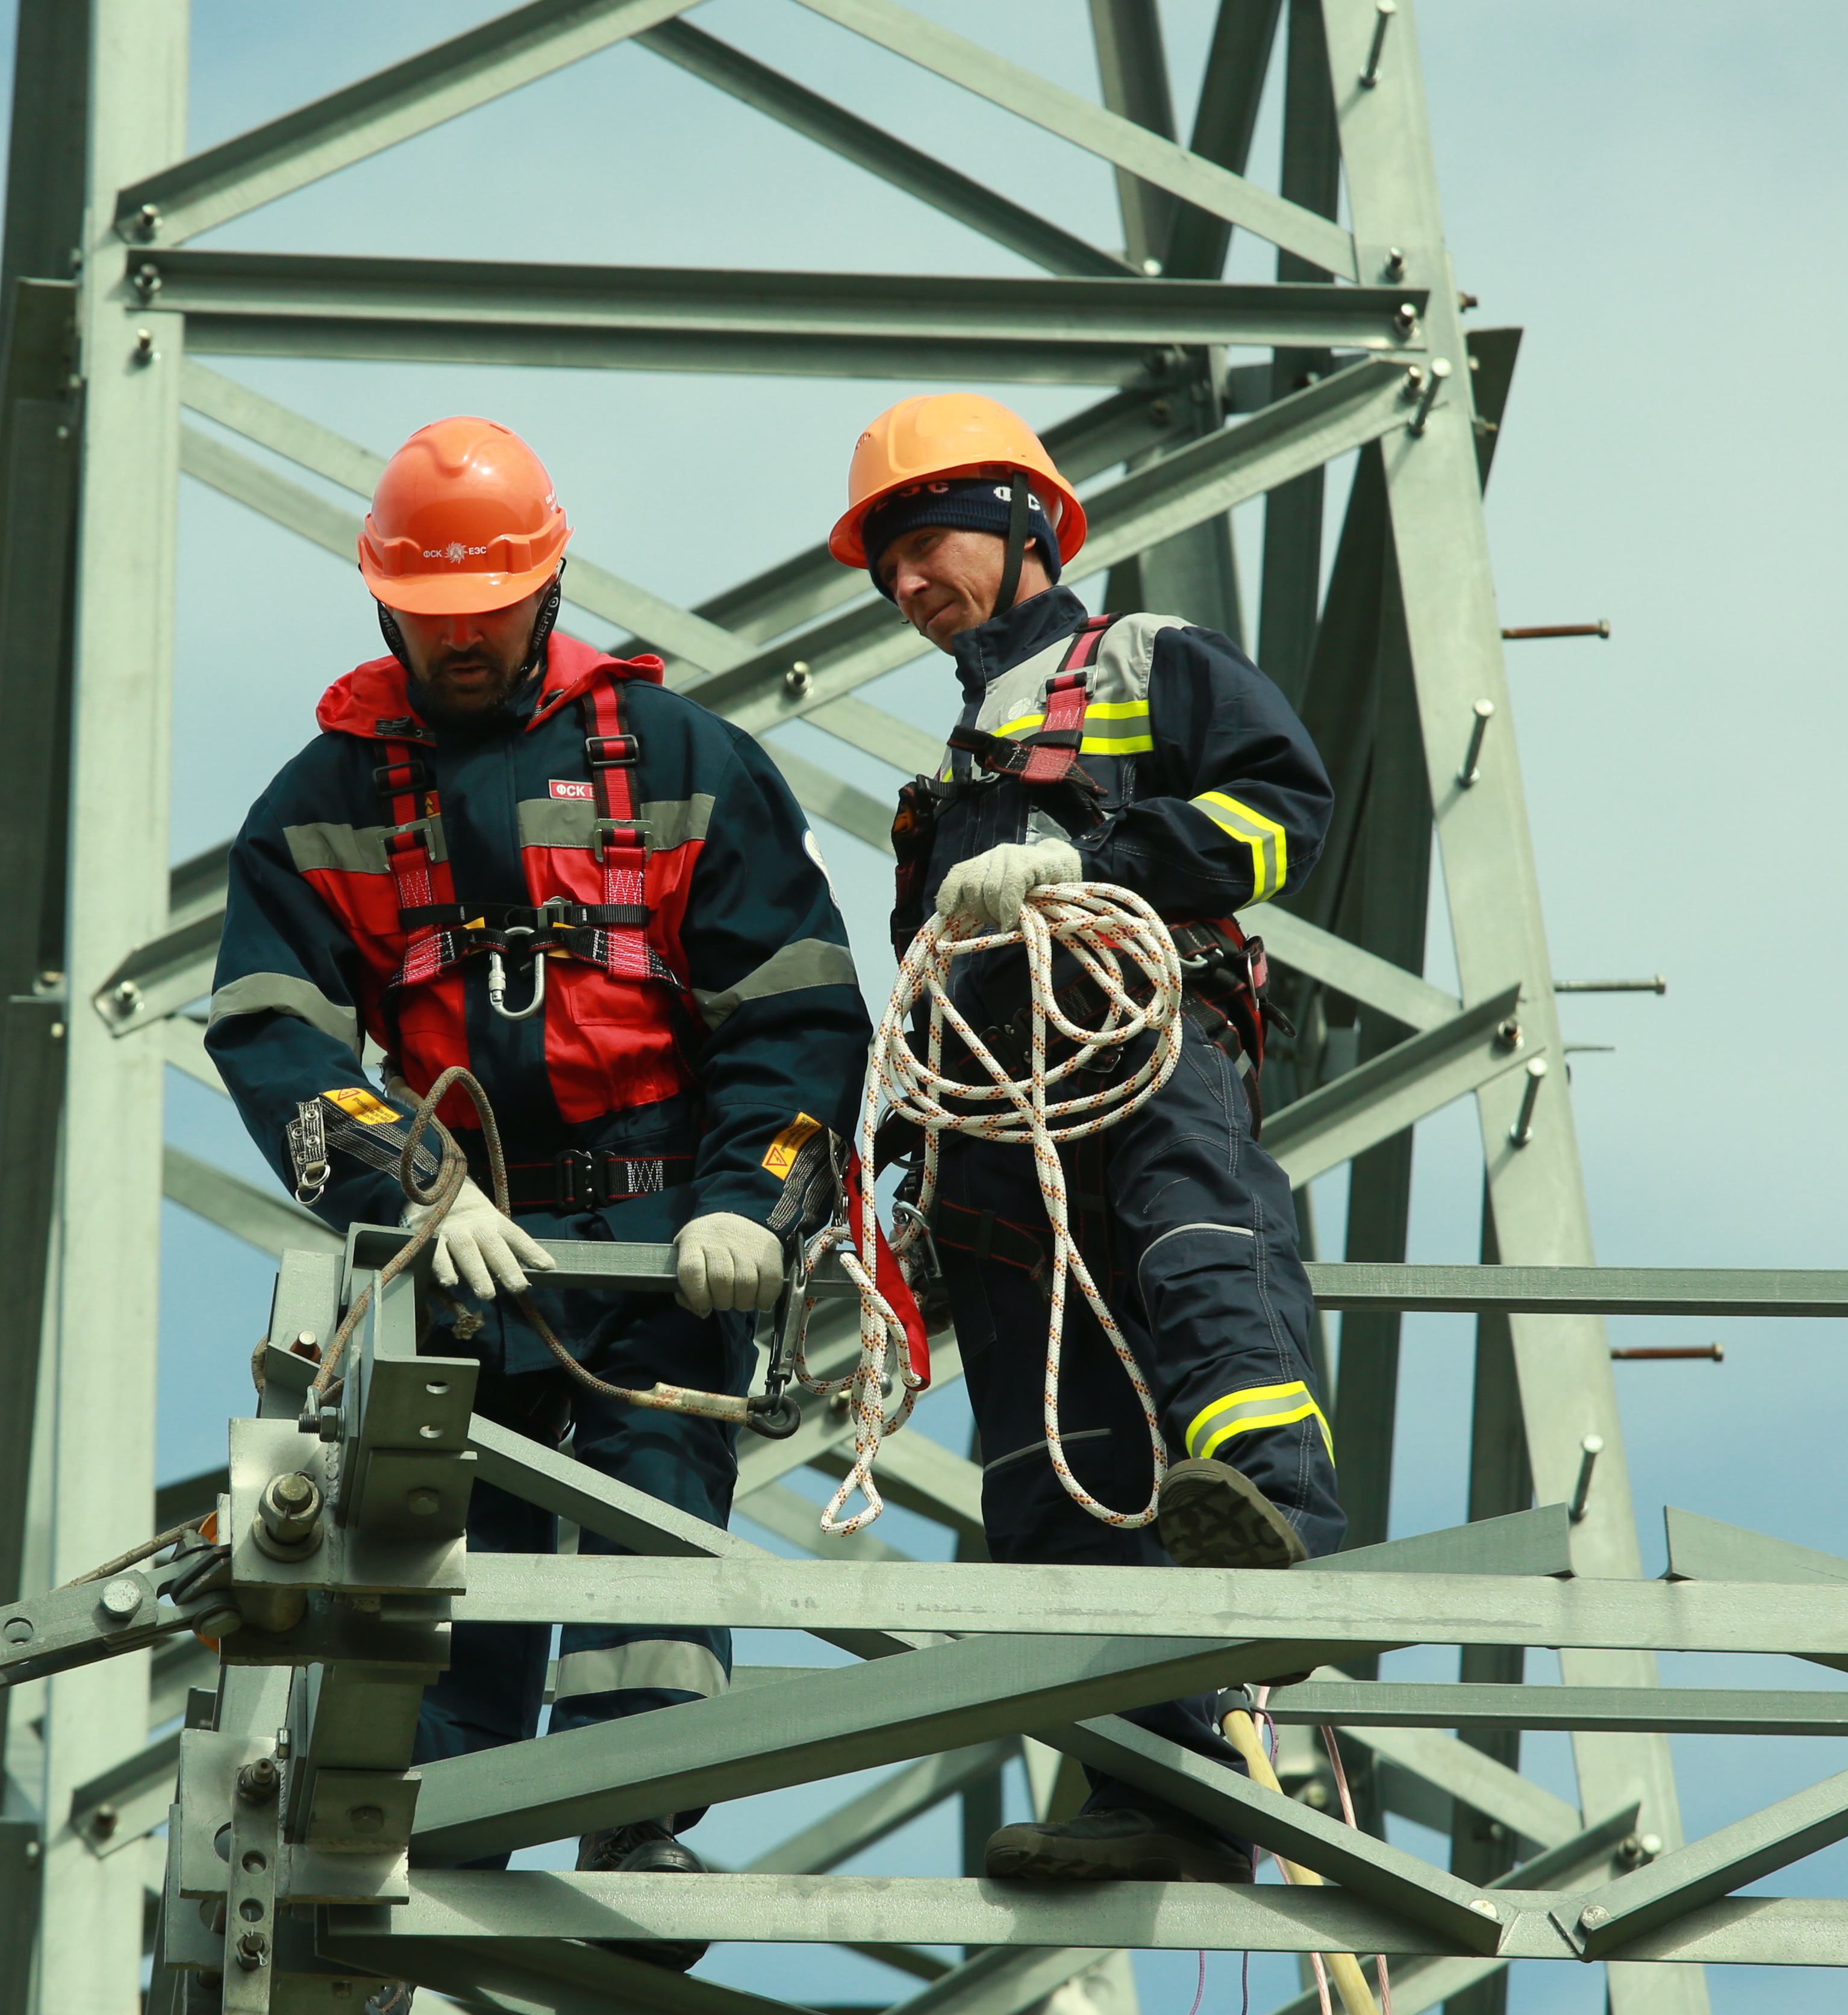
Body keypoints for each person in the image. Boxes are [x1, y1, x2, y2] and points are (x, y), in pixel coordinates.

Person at [208, 414, 870, 1922]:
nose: (464, 642)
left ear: (548, 591)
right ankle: (424, 1864)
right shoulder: (324, 804)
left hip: (659, 1227)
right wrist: (412, 1194)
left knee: (652, 1496)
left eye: (490, 612)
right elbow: (271, 1031)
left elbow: (796, 1006)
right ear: (386, 606)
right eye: (436, 619)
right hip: (470, 1241)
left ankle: (633, 1823)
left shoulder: (685, 761)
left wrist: (746, 1203)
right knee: (445, 1544)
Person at [831, 390, 1345, 1887]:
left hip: (1142, 1039)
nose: (910, 589)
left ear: (1013, 519)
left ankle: (1286, 1545)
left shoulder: (1144, 662)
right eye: (890, 570)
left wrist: (1097, 856)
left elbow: (1283, 814)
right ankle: (1156, 1786)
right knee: (1047, 1441)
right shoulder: (954, 770)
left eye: (926, 547)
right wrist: (917, 1158)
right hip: (996, 1118)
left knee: (1200, 1271)